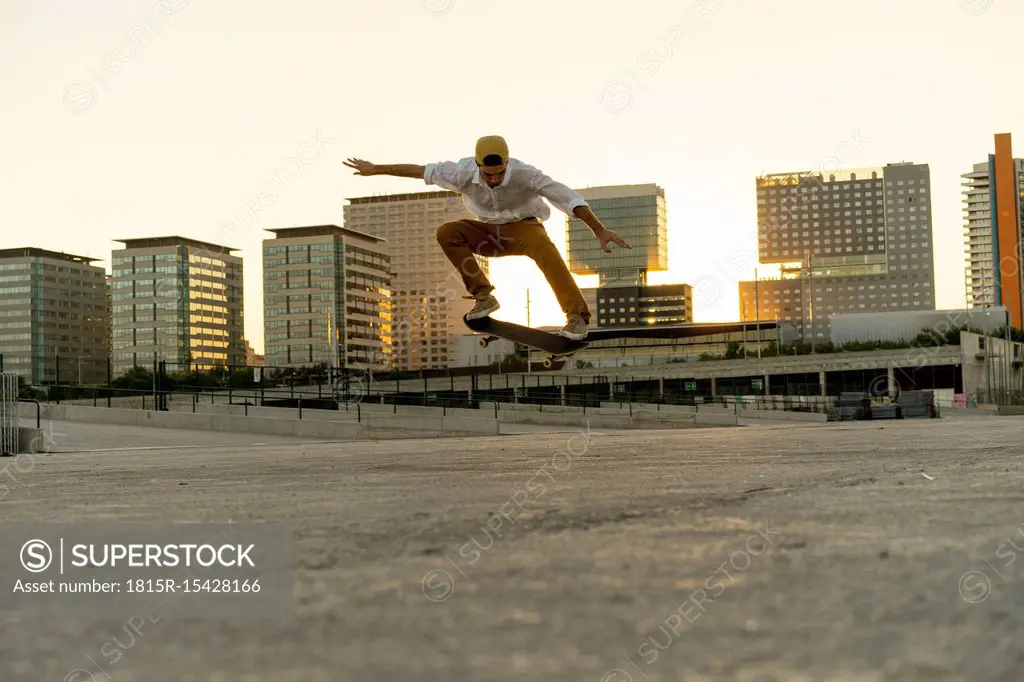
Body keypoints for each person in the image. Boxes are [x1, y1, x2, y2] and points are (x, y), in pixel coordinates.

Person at [343, 135, 630, 340]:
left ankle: (577, 317)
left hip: (524, 228)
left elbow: (568, 198)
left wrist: (599, 230)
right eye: (489, 174)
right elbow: (419, 171)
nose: (494, 179)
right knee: (447, 232)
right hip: (487, 233)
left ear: (507, 164)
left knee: (545, 250)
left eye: (499, 174)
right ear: (479, 165)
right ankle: (483, 296)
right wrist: (375, 169)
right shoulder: (461, 172)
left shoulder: (526, 174)